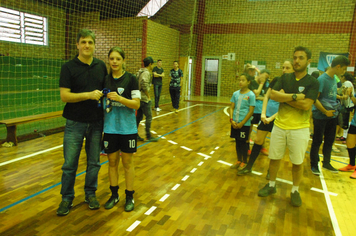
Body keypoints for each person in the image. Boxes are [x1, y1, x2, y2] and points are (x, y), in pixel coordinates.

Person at [257, 46, 319, 207]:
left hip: (300, 128)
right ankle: (271, 186)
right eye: (295, 57)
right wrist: (294, 96)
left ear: (308, 61)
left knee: (297, 163)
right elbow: (274, 96)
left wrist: (284, 97)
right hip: (279, 126)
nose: (297, 61)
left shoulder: (313, 82)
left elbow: (306, 105)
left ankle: (295, 190)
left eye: (301, 58)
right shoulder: (284, 78)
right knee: (274, 158)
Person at [57, 29, 107, 216]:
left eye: (90, 42)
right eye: (83, 42)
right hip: (74, 123)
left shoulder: (101, 66)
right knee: (70, 164)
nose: (87, 45)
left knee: (94, 162)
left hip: (96, 123)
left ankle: (90, 194)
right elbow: (64, 96)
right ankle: (67, 198)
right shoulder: (68, 67)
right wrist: (88, 95)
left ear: (94, 45)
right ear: (77, 45)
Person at [237, 59, 295, 175]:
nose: (284, 70)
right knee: (258, 140)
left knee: (275, 146)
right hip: (266, 117)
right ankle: (249, 167)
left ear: (293, 69)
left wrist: (271, 118)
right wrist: (263, 114)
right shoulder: (276, 81)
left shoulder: (294, 86)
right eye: (283, 67)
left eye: (287, 68)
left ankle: (270, 171)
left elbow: (288, 106)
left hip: (278, 118)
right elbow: (267, 97)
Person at [102, 47, 141, 211]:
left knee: (127, 162)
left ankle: (129, 196)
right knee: (111, 162)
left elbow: (136, 104)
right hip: (110, 128)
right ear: (109, 60)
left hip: (127, 128)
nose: (114, 62)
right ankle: (114, 195)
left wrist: (119, 98)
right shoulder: (105, 79)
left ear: (123, 60)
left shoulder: (131, 79)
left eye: (118, 59)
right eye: (112, 59)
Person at [310, 56, 350, 175]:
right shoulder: (322, 79)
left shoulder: (333, 79)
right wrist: (325, 111)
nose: (344, 72)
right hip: (321, 116)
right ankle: (314, 164)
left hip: (332, 116)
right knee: (317, 141)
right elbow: (314, 99)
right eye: (343, 69)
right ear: (338, 67)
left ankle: (326, 163)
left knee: (329, 140)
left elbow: (331, 96)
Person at [230, 73, 256, 169]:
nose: (240, 82)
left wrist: (242, 123)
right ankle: (238, 160)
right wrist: (231, 120)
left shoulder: (251, 95)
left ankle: (244, 161)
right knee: (237, 142)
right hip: (235, 123)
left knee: (243, 142)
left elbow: (251, 111)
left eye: (243, 80)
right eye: (239, 80)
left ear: (248, 82)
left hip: (244, 124)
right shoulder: (235, 94)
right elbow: (232, 107)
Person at [136, 57, 159, 142]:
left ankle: (134, 134)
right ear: (150, 64)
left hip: (139, 97)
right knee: (149, 117)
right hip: (144, 99)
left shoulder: (140, 71)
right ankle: (148, 136)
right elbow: (144, 85)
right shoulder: (146, 73)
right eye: (152, 64)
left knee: (139, 117)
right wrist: (148, 96)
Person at [248, 69, 270, 155]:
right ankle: (247, 148)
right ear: (260, 74)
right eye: (264, 76)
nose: (265, 79)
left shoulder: (266, 84)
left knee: (261, 130)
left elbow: (266, 97)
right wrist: (261, 83)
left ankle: (262, 147)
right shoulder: (252, 83)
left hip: (261, 110)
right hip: (252, 110)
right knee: (249, 129)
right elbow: (256, 94)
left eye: (267, 77)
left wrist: (259, 97)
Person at [339, 87, 356, 178]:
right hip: (355, 122)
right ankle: (352, 164)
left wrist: (351, 96)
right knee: (350, 143)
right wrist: (350, 95)